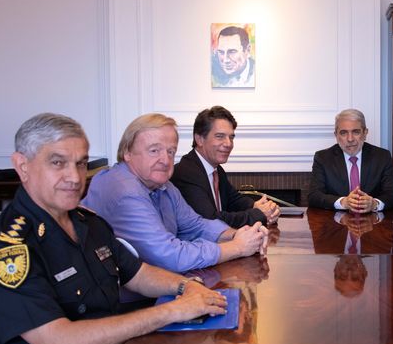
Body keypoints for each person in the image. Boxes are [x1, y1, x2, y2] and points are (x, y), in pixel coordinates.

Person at [0, 113, 230, 344]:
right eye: (57, 163)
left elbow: (138, 273)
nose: (75, 177)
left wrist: (183, 288)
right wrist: (171, 312)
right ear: (22, 166)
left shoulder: (88, 223)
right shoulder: (6, 249)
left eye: (80, 163)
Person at [82, 113, 267, 273]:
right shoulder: (125, 189)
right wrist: (236, 248)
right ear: (127, 152)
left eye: (171, 152)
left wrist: (238, 235)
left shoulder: (163, 185)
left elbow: (195, 225)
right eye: (154, 150)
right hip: (115, 302)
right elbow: (169, 255)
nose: (165, 160)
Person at [171, 106, 280, 228]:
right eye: (220, 136)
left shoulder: (216, 169)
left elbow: (234, 200)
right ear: (199, 139)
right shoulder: (186, 173)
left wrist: (257, 206)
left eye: (231, 137)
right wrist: (259, 214)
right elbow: (211, 220)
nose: (229, 144)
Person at [308, 108, 393, 213]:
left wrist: (374, 204)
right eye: (343, 133)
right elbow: (314, 196)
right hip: (335, 224)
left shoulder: (382, 156)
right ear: (336, 136)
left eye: (356, 132)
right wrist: (343, 202)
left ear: (365, 133)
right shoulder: (323, 158)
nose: (350, 139)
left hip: (373, 222)